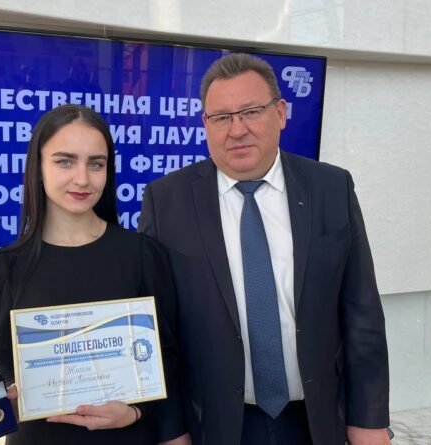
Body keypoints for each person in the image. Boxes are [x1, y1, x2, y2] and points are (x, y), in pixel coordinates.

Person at [139, 53, 390, 445]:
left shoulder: (331, 188)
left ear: (281, 113)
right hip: (214, 424)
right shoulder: (167, 201)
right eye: (221, 117)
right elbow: (158, 330)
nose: (237, 130)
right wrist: (171, 431)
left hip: (316, 418)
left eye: (251, 112)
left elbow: (362, 314)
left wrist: (369, 421)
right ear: (205, 124)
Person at [0, 104, 189, 445]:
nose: (83, 178)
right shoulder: (1, 270)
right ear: (38, 167)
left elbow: (166, 362)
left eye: (96, 164)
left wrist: (135, 413)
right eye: (65, 161)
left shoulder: (143, 256)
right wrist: (4, 398)